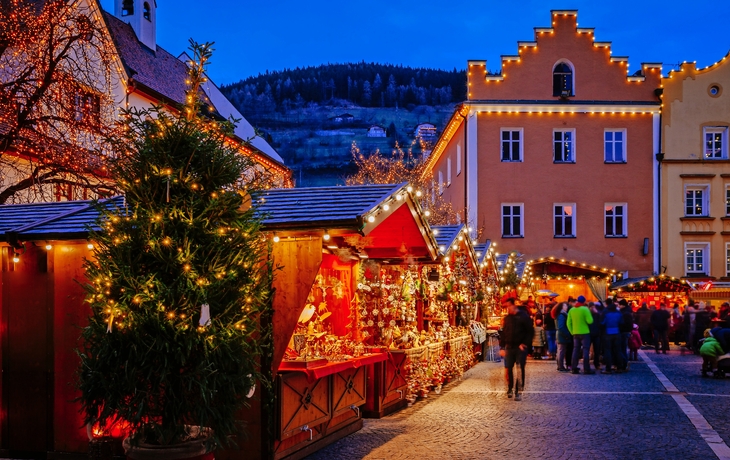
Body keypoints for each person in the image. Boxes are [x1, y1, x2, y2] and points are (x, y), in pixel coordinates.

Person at [499, 298, 534, 401]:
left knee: (519, 368)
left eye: (508, 306)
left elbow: (530, 332)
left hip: (520, 348)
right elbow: (504, 332)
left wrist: (524, 344)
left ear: (513, 306)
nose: (507, 309)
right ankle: (510, 388)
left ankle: (518, 390)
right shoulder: (507, 318)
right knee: (508, 368)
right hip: (509, 347)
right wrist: (502, 346)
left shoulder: (524, 317)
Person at [567, 295, 595, 374]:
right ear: (584, 301)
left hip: (575, 333)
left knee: (575, 350)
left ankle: (574, 368)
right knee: (585, 350)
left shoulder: (572, 310)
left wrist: (572, 332)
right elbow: (590, 321)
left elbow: (568, 323)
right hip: (585, 333)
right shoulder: (585, 309)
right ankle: (586, 369)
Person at [601, 299, 623, 373]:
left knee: (608, 351)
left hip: (607, 333)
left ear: (606, 304)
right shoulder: (618, 312)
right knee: (618, 350)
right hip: (617, 332)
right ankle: (619, 367)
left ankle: (608, 368)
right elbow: (621, 322)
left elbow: (602, 323)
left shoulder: (605, 312)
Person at [618, 299, 633, 371]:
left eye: (619, 305)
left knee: (621, 348)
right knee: (624, 348)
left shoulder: (623, 313)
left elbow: (621, 323)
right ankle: (624, 363)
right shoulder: (629, 311)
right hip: (627, 332)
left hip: (622, 332)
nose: (618, 306)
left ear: (622, 305)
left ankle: (624, 362)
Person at [555, 302, 571, 372]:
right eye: (564, 306)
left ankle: (560, 365)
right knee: (561, 351)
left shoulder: (561, 314)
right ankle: (560, 366)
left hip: (561, 334)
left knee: (560, 350)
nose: (566, 307)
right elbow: (561, 327)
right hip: (562, 335)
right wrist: (567, 334)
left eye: (566, 305)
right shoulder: (561, 315)